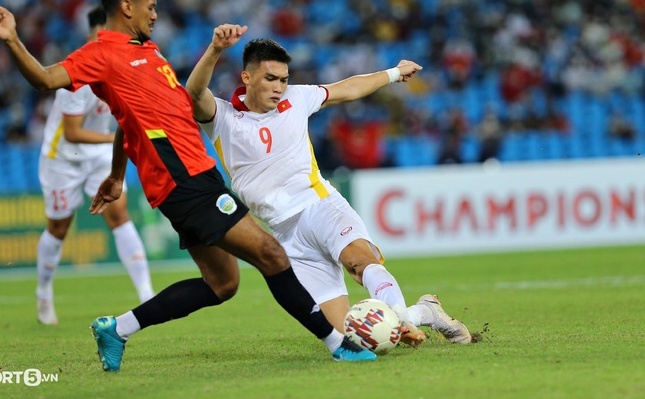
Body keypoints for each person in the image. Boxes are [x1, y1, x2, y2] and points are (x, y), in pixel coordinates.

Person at [0, 0, 375, 371]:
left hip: (197, 174)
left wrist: (118, 176)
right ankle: (337, 343)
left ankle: (116, 329)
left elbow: (126, 124)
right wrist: (13, 39)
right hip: (181, 179)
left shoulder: (150, 52)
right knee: (271, 253)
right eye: (150, 7)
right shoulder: (100, 54)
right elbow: (46, 80)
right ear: (126, 6)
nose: (155, 15)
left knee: (223, 284)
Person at [185, 25, 472, 346]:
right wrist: (214, 50)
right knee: (350, 337)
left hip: (320, 206)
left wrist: (394, 73)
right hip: (286, 236)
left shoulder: (298, 97)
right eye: (270, 79)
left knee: (361, 262)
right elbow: (195, 93)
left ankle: (408, 317)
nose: (279, 87)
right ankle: (423, 313)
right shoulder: (222, 118)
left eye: (283, 79)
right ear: (247, 78)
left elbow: (348, 88)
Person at [35, 6, 154, 325]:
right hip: (63, 158)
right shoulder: (78, 76)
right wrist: (125, 138)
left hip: (102, 152)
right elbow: (72, 133)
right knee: (59, 228)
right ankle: (44, 293)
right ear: (91, 37)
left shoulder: (127, 64)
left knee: (120, 214)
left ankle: (146, 294)